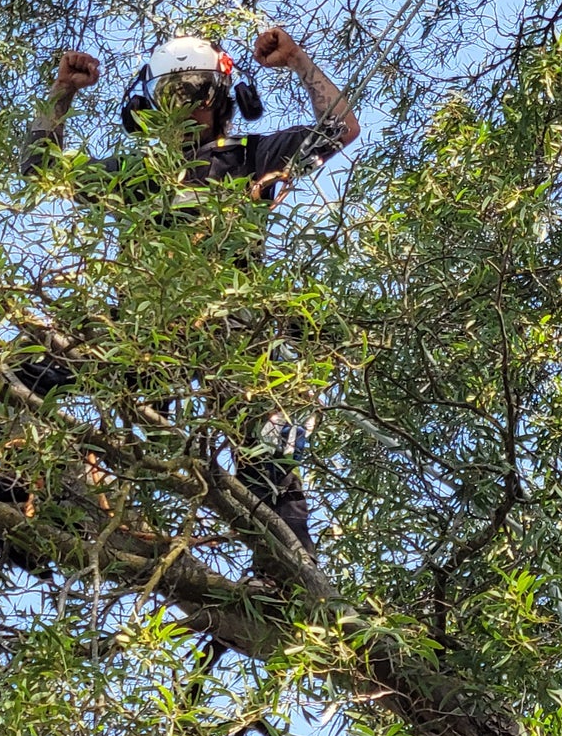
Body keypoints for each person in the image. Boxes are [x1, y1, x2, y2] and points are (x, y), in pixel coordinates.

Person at [19, 27, 360, 551]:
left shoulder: (253, 154)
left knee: (269, 448)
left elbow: (340, 127)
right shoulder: (136, 172)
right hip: (141, 328)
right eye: (171, 95)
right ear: (148, 106)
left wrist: (298, 62)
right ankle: (22, 483)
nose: (186, 107)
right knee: (30, 362)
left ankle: (284, 570)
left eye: (197, 91)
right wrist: (62, 91)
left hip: (234, 326)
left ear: (224, 95)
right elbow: (41, 168)